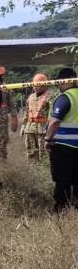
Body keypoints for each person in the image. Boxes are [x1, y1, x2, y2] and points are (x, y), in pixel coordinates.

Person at [43, 68, 78, 211]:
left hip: (63, 146)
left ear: (65, 81)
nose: (58, 85)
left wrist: (47, 139)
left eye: (59, 81)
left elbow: (55, 122)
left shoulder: (65, 97)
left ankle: (61, 210)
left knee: (62, 180)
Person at [22, 72, 52, 162]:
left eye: (37, 85)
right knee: (31, 152)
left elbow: (53, 114)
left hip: (43, 130)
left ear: (44, 85)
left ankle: (43, 172)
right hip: (30, 129)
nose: (34, 87)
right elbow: (26, 111)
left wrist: (50, 130)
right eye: (34, 85)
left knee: (43, 154)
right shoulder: (31, 96)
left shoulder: (50, 96)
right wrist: (23, 125)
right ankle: (32, 171)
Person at [0, 66, 13, 160]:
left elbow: (11, 103)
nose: (1, 76)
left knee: (3, 143)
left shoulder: (6, 87)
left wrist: (14, 117)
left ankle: (3, 163)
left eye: (2, 74)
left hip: (2, 120)